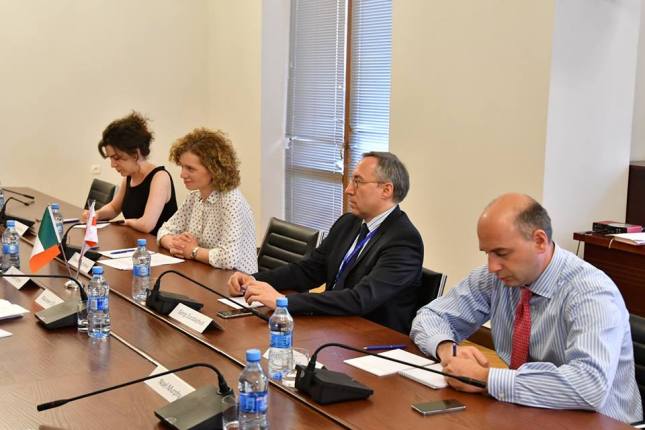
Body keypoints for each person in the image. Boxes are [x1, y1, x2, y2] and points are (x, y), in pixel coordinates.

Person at [410, 193, 642, 424]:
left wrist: (485, 378)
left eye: (501, 253)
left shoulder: (590, 292)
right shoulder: (497, 279)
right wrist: (447, 349)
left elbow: (589, 386)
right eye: (487, 253)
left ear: (539, 241)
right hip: (531, 412)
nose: (492, 266)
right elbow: (430, 316)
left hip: (601, 422)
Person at [228, 152, 423, 334]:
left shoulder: (404, 241)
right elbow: (309, 270)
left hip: (371, 337)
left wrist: (284, 301)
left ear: (386, 190)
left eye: (358, 182)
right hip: (334, 325)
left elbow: (359, 299)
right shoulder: (348, 223)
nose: (348, 190)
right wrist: (253, 280)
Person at [157, 128, 257, 274]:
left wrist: (193, 251)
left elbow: (228, 258)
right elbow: (164, 231)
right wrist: (175, 245)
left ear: (213, 170)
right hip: (205, 274)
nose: (182, 174)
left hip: (236, 282)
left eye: (190, 168)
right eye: (182, 166)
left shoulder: (231, 201)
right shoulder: (194, 197)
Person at [82, 111, 177, 235]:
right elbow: (114, 208)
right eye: (111, 159)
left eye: (116, 158)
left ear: (135, 153)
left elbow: (146, 225)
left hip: (157, 245)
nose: (112, 165)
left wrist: (124, 222)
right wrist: (96, 214)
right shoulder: (129, 177)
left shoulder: (160, 178)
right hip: (137, 242)